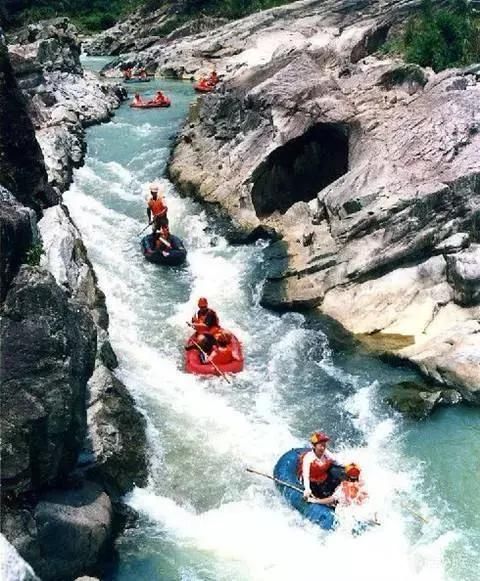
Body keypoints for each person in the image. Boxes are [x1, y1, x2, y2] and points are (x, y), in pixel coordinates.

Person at [298, 432, 344, 500]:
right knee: (321, 493)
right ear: (314, 446)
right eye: (320, 446)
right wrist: (307, 489)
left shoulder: (326, 453)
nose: (322, 448)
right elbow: (306, 476)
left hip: (323, 478)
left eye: (324, 445)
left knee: (337, 474)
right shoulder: (308, 458)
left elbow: (337, 462)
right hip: (312, 482)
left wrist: (349, 468)